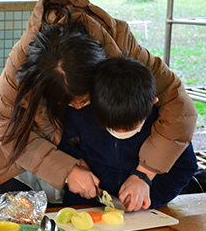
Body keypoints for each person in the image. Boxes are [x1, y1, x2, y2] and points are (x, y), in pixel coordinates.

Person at [0, 0, 198, 212]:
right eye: (69, 103)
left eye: (83, 100)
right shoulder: (20, 66)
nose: (77, 107)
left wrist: (145, 172)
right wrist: (67, 170)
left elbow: (180, 108)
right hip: (12, 151)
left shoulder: (119, 44)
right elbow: (7, 128)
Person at [57, 57, 198, 210]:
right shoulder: (79, 115)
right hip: (84, 205)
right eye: (111, 126)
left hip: (142, 213)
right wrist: (73, 167)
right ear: (92, 103)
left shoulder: (164, 128)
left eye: (131, 127)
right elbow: (61, 146)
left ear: (152, 103)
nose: (121, 133)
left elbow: (185, 167)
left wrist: (148, 195)